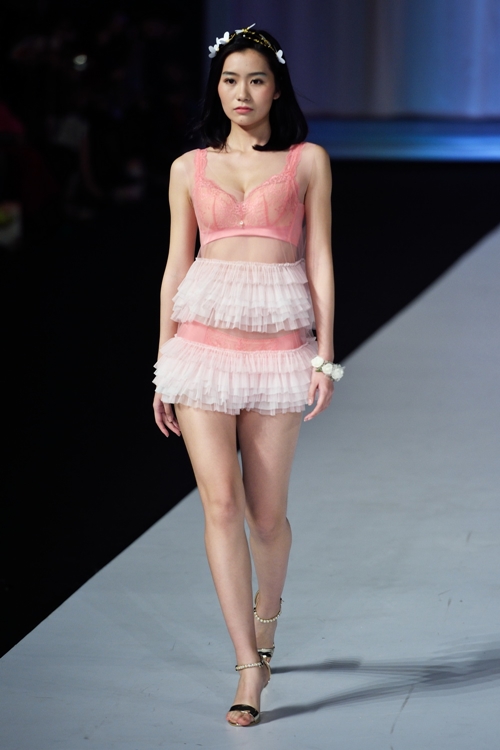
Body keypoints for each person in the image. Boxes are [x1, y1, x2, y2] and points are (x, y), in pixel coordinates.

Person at [153, 25, 342, 727]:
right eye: (231, 80)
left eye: (256, 79)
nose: (243, 93)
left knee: (266, 516)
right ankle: (246, 667)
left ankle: (267, 618)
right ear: (217, 87)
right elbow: (175, 266)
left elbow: (320, 259)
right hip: (200, 350)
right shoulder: (188, 167)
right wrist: (163, 365)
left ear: (277, 87)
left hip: (278, 351)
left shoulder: (307, 162)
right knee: (221, 507)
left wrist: (326, 356)